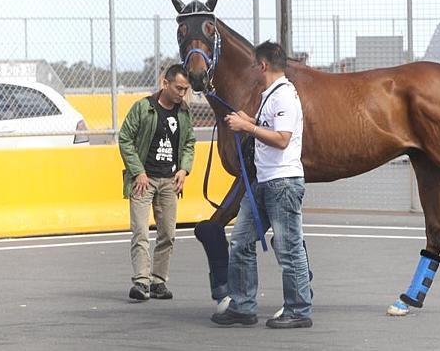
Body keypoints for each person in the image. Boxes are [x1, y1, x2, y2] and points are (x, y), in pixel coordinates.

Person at [211, 41, 312, 328]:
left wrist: (248, 128)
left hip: (282, 183)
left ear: (263, 65)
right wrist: (251, 119)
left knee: (289, 247)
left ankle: (299, 309)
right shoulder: (271, 95)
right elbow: (269, 127)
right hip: (263, 181)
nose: (255, 70)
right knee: (241, 241)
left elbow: (282, 139)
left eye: (256, 65)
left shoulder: (284, 96)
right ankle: (243, 306)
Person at [119, 64, 196, 300]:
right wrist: (138, 172)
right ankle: (141, 282)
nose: (182, 94)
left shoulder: (183, 112)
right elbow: (125, 139)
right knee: (141, 231)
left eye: (185, 89)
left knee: (167, 234)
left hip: (169, 182)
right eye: (178, 88)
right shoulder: (144, 108)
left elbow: (189, 143)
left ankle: (158, 281)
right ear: (165, 83)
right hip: (144, 181)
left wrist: (184, 169)